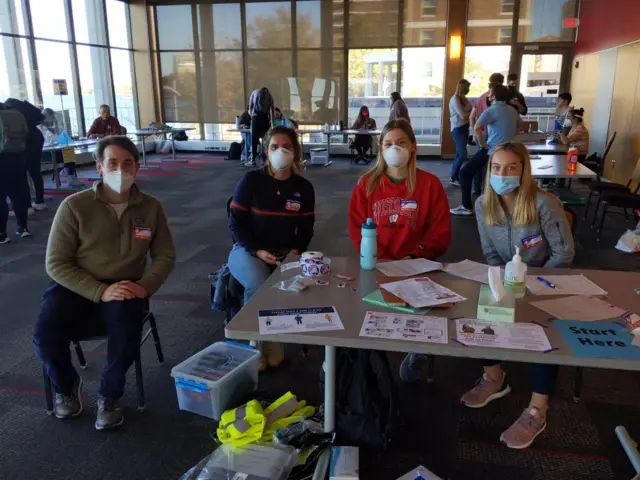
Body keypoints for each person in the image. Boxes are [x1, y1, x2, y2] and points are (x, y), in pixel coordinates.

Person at [33, 136, 176, 430]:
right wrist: (100, 291)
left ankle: (109, 396)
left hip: (126, 286)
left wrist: (145, 286)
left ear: (136, 167)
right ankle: (66, 385)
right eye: (112, 163)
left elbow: (164, 256)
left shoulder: (151, 208)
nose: (120, 170)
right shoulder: (74, 207)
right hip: (77, 284)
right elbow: (56, 263)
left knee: (126, 333)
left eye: (127, 163)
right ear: (99, 167)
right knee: (45, 334)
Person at [461, 141, 574, 449]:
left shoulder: (544, 204)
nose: (503, 173)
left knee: (542, 332)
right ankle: (494, 377)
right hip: (509, 279)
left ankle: (538, 409)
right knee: (480, 312)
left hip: (546, 280)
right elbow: (489, 252)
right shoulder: (484, 204)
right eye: (496, 168)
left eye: (511, 167)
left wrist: (530, 285)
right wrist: (503, 287)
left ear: (523, 171)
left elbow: (564, 252)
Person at [348, 119, 451, 379]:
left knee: (420, 309)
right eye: (388, 143)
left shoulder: (430, 185)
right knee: (364, 313)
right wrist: (378, 259)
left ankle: (419, 350)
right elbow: (356, 228)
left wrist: (414, 256)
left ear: (413, 147)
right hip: (377, 263)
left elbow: (440, 233)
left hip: (417, 264)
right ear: (381, 149)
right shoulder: (367, 184)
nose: (395, 148)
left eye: (401, 142)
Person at [228, 126, 315, 371]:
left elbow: (306, 228)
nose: (281, 151)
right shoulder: (251, 181)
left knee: (304, 283)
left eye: (287, 146)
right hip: (247, 250)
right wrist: (257, 251)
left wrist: (296, 251)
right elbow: (236, 223)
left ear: (295, 153)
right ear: (266, 152)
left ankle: (273, 334)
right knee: (258, 281)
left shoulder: (304, 188)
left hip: (286, 253)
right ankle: (255, 343)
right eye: (274, 147)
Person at [451, 85, 522, 216]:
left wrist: (483, 145)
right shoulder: (512, 110)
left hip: (492, 151)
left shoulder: (491, 111)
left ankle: (466, 206)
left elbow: (477, 127)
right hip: (508, 150)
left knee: (465, 173)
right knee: (497, 178)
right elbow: (519, 126)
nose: (488, 94)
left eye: (490, 92)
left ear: (493, 96)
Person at [5, 98, 47, 211]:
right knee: (35, 172)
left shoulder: (7, 108)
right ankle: (39, 201)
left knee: (22, 175)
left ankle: (27, 206)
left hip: (24, 140)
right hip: (36, 136)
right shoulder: (22, 105)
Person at [0, 102, 31, 243]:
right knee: (18, 195)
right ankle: (23, 228)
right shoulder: (16, 116)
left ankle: (2, 234)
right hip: (17, 158)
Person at [449, 79, 472, 186]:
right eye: (467, 87)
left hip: (464, 127)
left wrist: (470, 113)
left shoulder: (463, 98)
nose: (469, 90)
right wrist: (470, 113)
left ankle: (454, 177)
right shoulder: (455, 99)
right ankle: (454, 177)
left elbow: (470, 111)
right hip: (457, 129)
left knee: (459, 154)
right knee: (463, 154)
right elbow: (463, 115)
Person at [469, 73, 504, 140]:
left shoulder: (481, 97)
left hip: (480, 134)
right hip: (491, 135)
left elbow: (471, 117)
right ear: (499, 83)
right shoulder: (496, 99)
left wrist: (474, 132)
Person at [248, 87, 276, 167]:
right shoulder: (269, 95)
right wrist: (272, 122)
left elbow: (250, 107)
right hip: (265, 119)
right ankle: (265, 160)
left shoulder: (254, 93)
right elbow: (272, 109)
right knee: (265, 141)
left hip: (256, 118)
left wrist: (252, 116)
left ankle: (252, 160)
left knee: (254, 140)